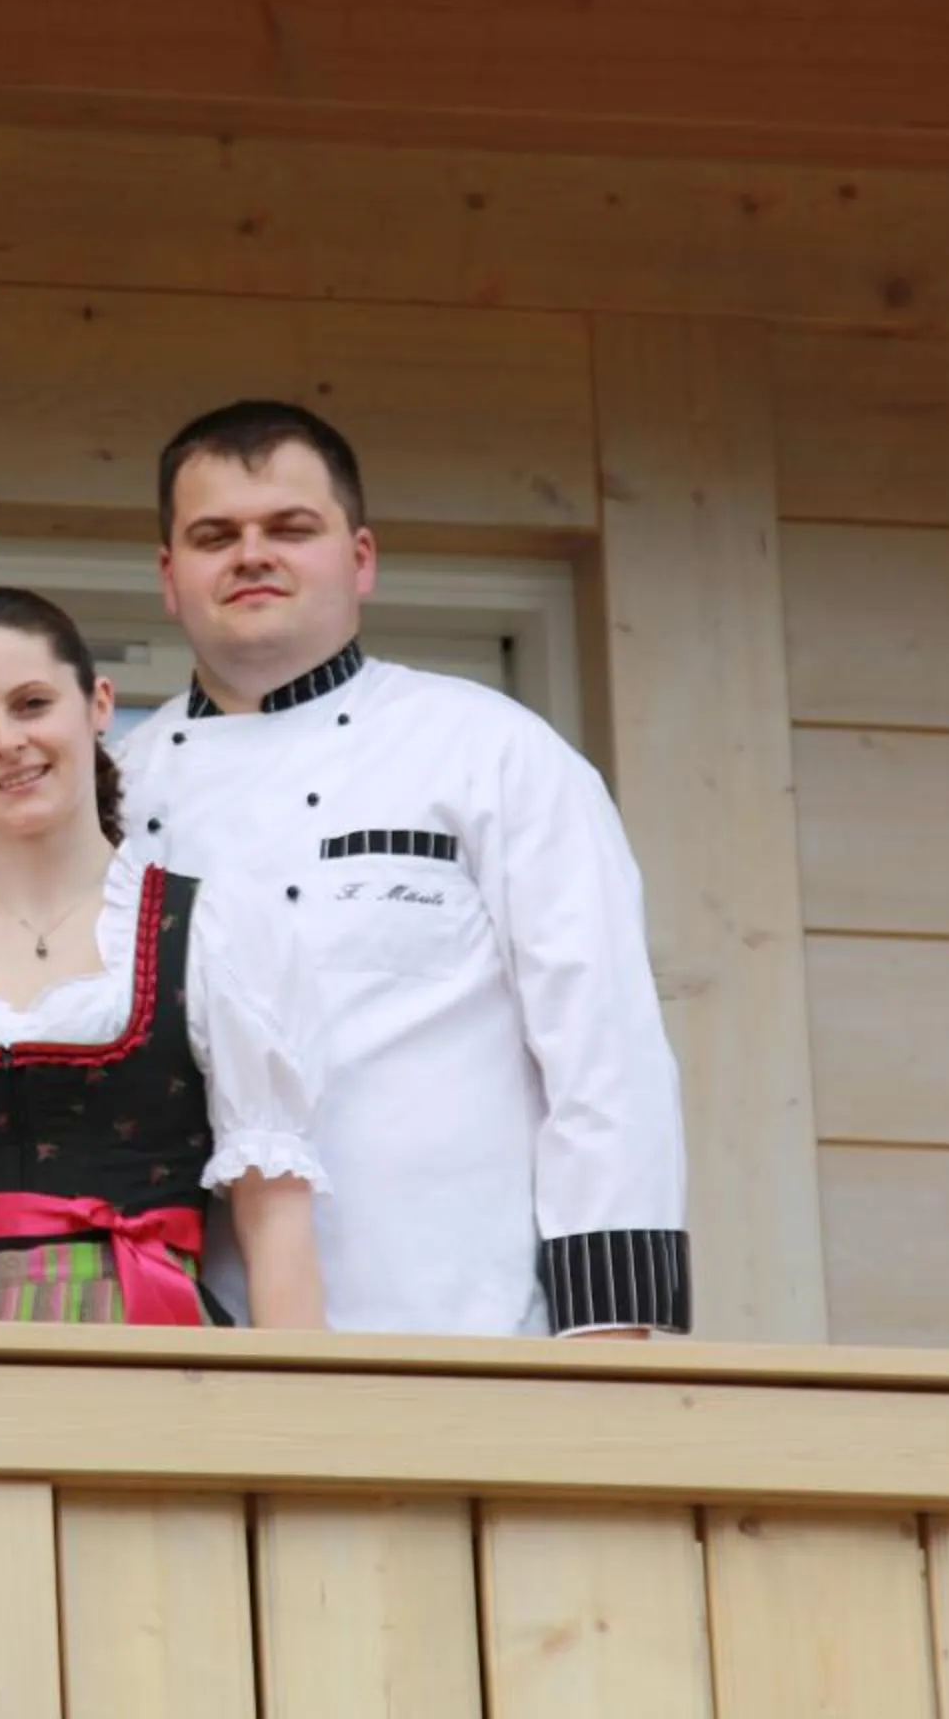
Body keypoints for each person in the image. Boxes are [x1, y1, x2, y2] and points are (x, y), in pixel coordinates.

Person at [118, 402, 690, 1339]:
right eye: (215, 535)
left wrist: (615, 1335)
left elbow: (604, 1050)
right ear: (170, 577)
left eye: (291, 529)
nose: (251, 554)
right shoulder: (117, 792)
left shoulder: (492, 751)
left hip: (467, 1332)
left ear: (362, 557)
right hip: (192, 1344)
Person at [0, 587, 326, 1328]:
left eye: (32, 704)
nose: (7, 741)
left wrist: (293, 1429)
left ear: (98, 704)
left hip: (149, 1344)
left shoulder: (206, 928)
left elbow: (275, 1219)